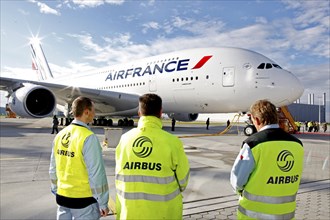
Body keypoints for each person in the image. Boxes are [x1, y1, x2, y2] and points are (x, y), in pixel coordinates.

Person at [115, 93, 190, 220]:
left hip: (129, 212)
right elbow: (183, 181)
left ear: (139, 112)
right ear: (160, 113)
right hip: (164, 213)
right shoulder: (172, 142)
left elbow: (119, 174)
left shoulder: (124, 139)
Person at [230, 99, 304, 219]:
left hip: (254, 215)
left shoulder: (253, 144)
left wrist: (239, 191)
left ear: (257, 120)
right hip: (286, 215)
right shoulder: (297, 144)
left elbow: (237, 180)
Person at [49, 96, 109, 220]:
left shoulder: (60, 135)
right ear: (86, 112)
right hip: (83, 200)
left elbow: (53, 168)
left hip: (62, 197)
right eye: (93, 110)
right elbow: (96, 174)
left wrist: (56, 189)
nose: (95, 113)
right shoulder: (88, 137)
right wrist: (103, 202)